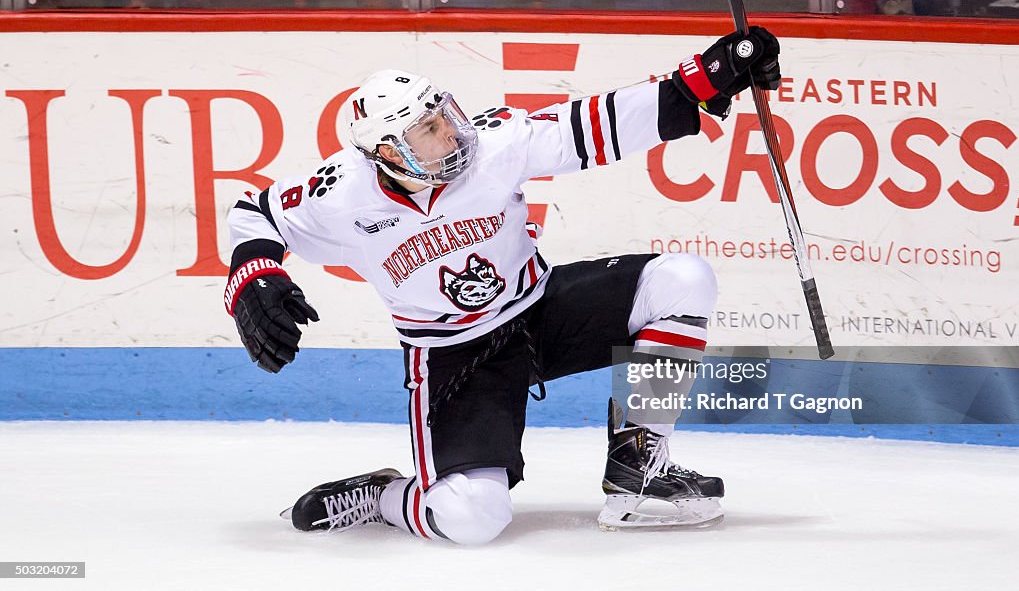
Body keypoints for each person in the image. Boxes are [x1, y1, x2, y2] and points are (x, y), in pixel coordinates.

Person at [224, 27, 781, 544]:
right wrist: (255, 275)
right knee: (472, 518)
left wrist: (700, 80)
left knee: (681, 280)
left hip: (540, 312)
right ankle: (387, 496)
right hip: (455, 356)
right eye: (429, 130)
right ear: (390, 152)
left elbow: (588, 127)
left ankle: (639, 466)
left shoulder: (492, 144)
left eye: (443, 114)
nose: (450, 131)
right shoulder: (343, 193)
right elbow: (255, 212)